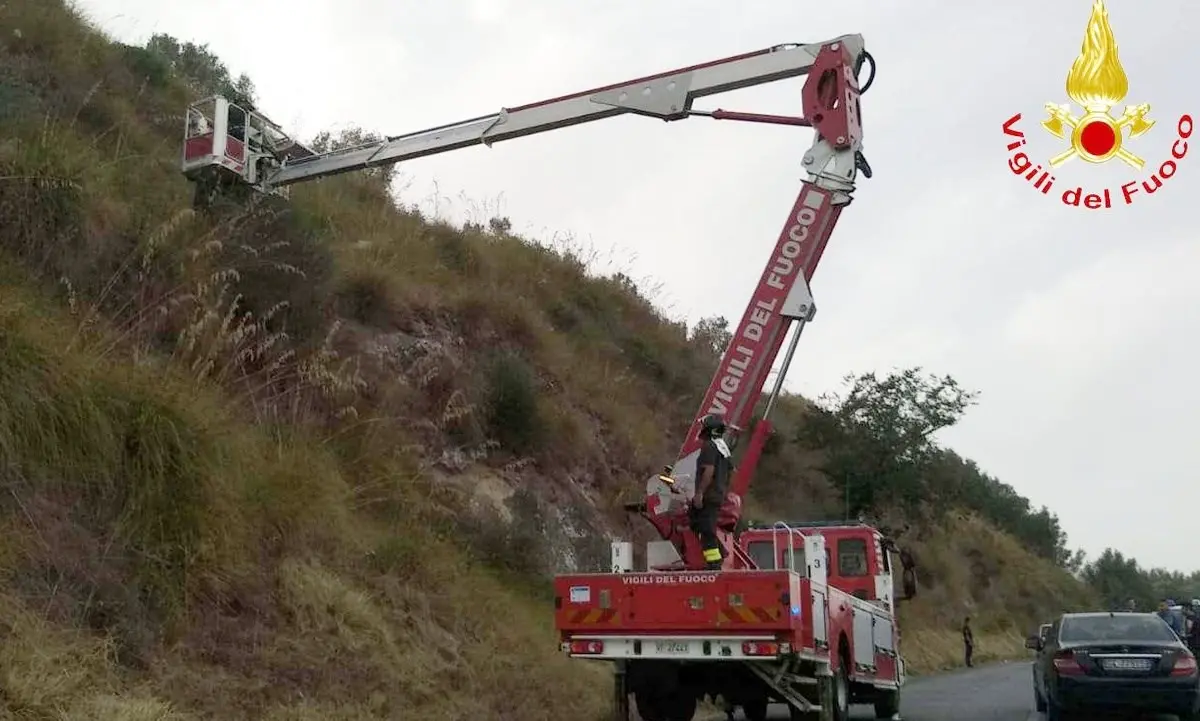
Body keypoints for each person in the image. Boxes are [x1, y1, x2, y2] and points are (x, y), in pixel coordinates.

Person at [691, 413, 732, 571]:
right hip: (717, 494)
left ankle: (714, 563)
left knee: (706, 529)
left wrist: (700, 492)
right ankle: (719, 555)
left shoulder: (709, 446)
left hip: (709, 495)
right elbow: (729, 472)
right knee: (698, 522)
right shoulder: (723, 449)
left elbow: (708, 470)